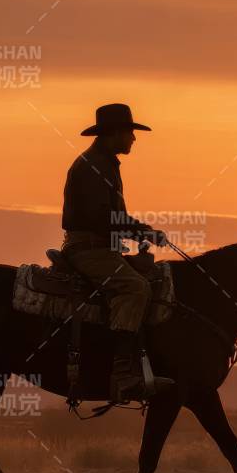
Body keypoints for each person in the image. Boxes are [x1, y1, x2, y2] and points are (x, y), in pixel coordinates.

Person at [61, 103, 174, 402]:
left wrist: (139, 232)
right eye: (130, 133)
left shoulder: (104, 163)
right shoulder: (94, 166)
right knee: (135, 288)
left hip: (102, 248)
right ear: (114, 133)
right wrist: (142, 232)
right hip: (89, 249)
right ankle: (123, 375)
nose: (134, 139)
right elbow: (101, 218)